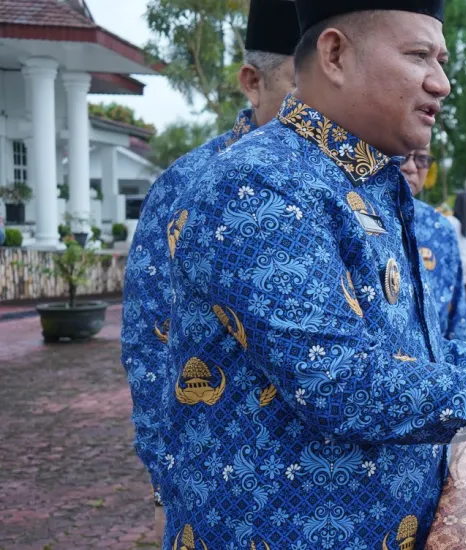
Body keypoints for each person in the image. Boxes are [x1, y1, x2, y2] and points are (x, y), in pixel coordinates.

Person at [159, 2, 466, 546]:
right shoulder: (260, 183)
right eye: (419, 56)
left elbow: (414, 355)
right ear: (335, 54)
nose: (441, 83)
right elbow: (340, 383)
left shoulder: (366, 180)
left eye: (442, 61)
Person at [118, 0, 300, 540]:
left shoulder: (358, 182)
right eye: (300, 83)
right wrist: (163, 483)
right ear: (253, 82)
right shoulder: (189, 184)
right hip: (224, 499)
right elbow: (151, 342)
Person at [400, 143, 466, 341]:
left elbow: (457, 313)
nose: (411, 167)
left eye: (421, 159)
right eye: (401, 155)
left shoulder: (440, 228)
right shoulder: (356, 217)